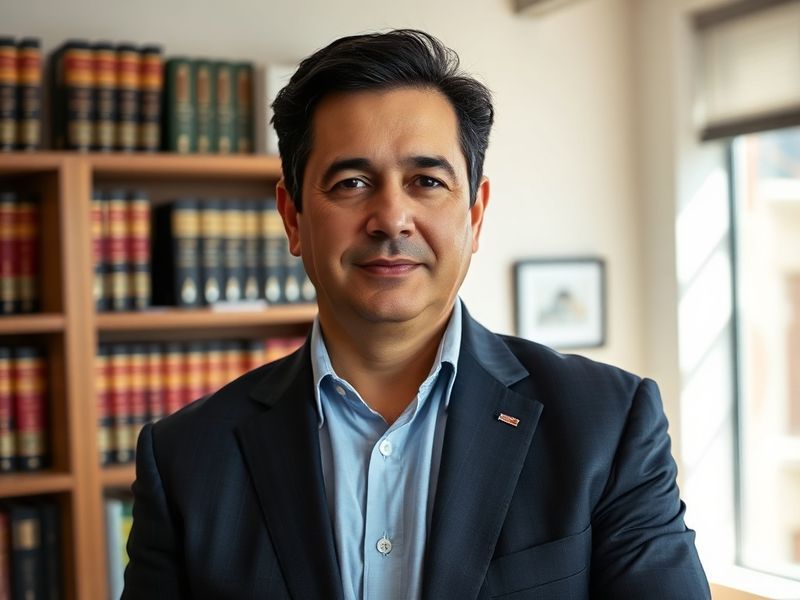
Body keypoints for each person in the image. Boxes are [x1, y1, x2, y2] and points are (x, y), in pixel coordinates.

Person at [122, 29, 710, 599]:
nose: (391, 219)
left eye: (426, 181)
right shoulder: (184, 459)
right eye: (351, 182)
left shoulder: (607, 425)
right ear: (293, 217)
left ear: (475, 215)